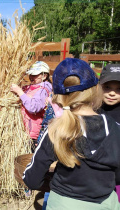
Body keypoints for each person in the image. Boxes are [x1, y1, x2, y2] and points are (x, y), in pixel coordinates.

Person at [22, 58, 120, 209]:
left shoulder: (57, 129)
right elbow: (117, 176)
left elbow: (32, 179)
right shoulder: (113, 127)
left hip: (63, 203)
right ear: (96, 89)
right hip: (106, 203)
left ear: (58, 96)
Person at [0, 61, 52, 149]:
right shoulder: (29, 87)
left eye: (35, 75)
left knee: (26, 159)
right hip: (22, 131)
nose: (31, 77)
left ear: (44, 76)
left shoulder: (43, 90)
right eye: (30, 74)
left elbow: (33, 108)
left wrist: (19, 91)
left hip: (32, 134)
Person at [97, 63, 120, 202]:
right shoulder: (92, 110)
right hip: (96, 174)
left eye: (119, 89)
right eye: (107, 87)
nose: (112, 93)